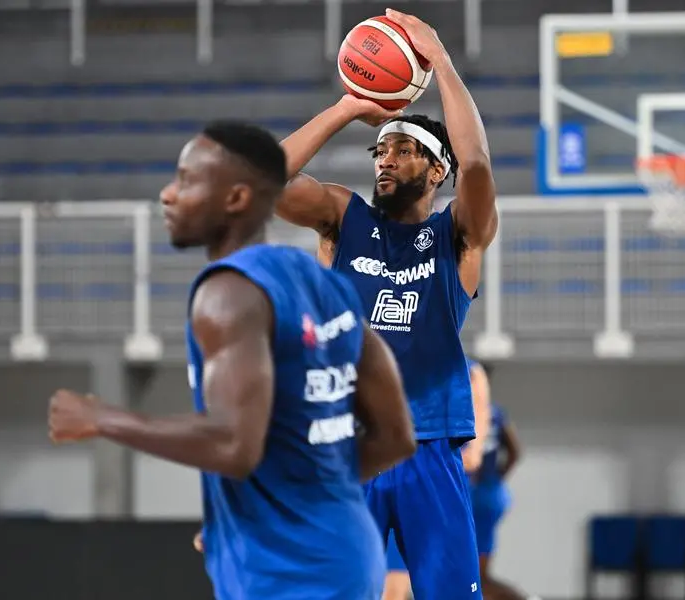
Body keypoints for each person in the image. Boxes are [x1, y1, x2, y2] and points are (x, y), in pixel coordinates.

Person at [46, 121, 417, 600]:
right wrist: (279, 497)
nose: (168, 194)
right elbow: (396, 436)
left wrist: (102, 418)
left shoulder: (228, 294)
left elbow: (232, 444)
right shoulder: (317, 278)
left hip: (288, 571)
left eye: (185, 180)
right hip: (345, 552)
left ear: (237, 198)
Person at [275, 8, 498, 598]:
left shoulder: (457, 237)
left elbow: (478, 164)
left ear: (437, 170)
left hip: (432, 448)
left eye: (401, 150)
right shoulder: (342, 219)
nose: (385, 160)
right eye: (379, 151)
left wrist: (441, 63)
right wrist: (349, 106)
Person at [381, 358, 492, 600]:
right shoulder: (376, 356)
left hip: (429, 488)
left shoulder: (468, 371)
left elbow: (473, 457)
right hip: (380, 479)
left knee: (395, 590)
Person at [469, 363, 528, 600]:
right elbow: (515, 452)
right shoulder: (496, 412)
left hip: (473, 496)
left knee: (475, 577)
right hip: (491, 494)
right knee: (475, 575)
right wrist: (495, 480)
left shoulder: (462, 413)